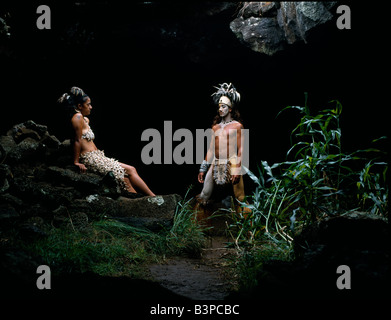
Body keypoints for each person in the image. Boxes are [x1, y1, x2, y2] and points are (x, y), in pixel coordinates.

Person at [58, 86, 155, 196]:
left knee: (124, 178)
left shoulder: (85, 119)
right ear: (79, 106)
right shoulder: (78, 117)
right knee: (131, 170)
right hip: (90, 159)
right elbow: (77, 140)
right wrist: (76, 162)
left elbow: (85, 139)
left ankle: (140, 201)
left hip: (98, 156)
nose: (91, 107)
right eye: (88, 105)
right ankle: (153, 197)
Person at [197, 83, 248, 211]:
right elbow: (211, 149)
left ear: (230, 109)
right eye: (219, 107)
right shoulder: (215, 127)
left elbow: (242, 149)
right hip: (216, 162)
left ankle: (249, 228)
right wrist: (203, 168)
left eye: (223, 107)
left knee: (240, 198)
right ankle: (196, 225)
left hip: (232, 161)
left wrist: (237, 169)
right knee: (204, 195)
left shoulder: (237, 126)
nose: (220, 109)